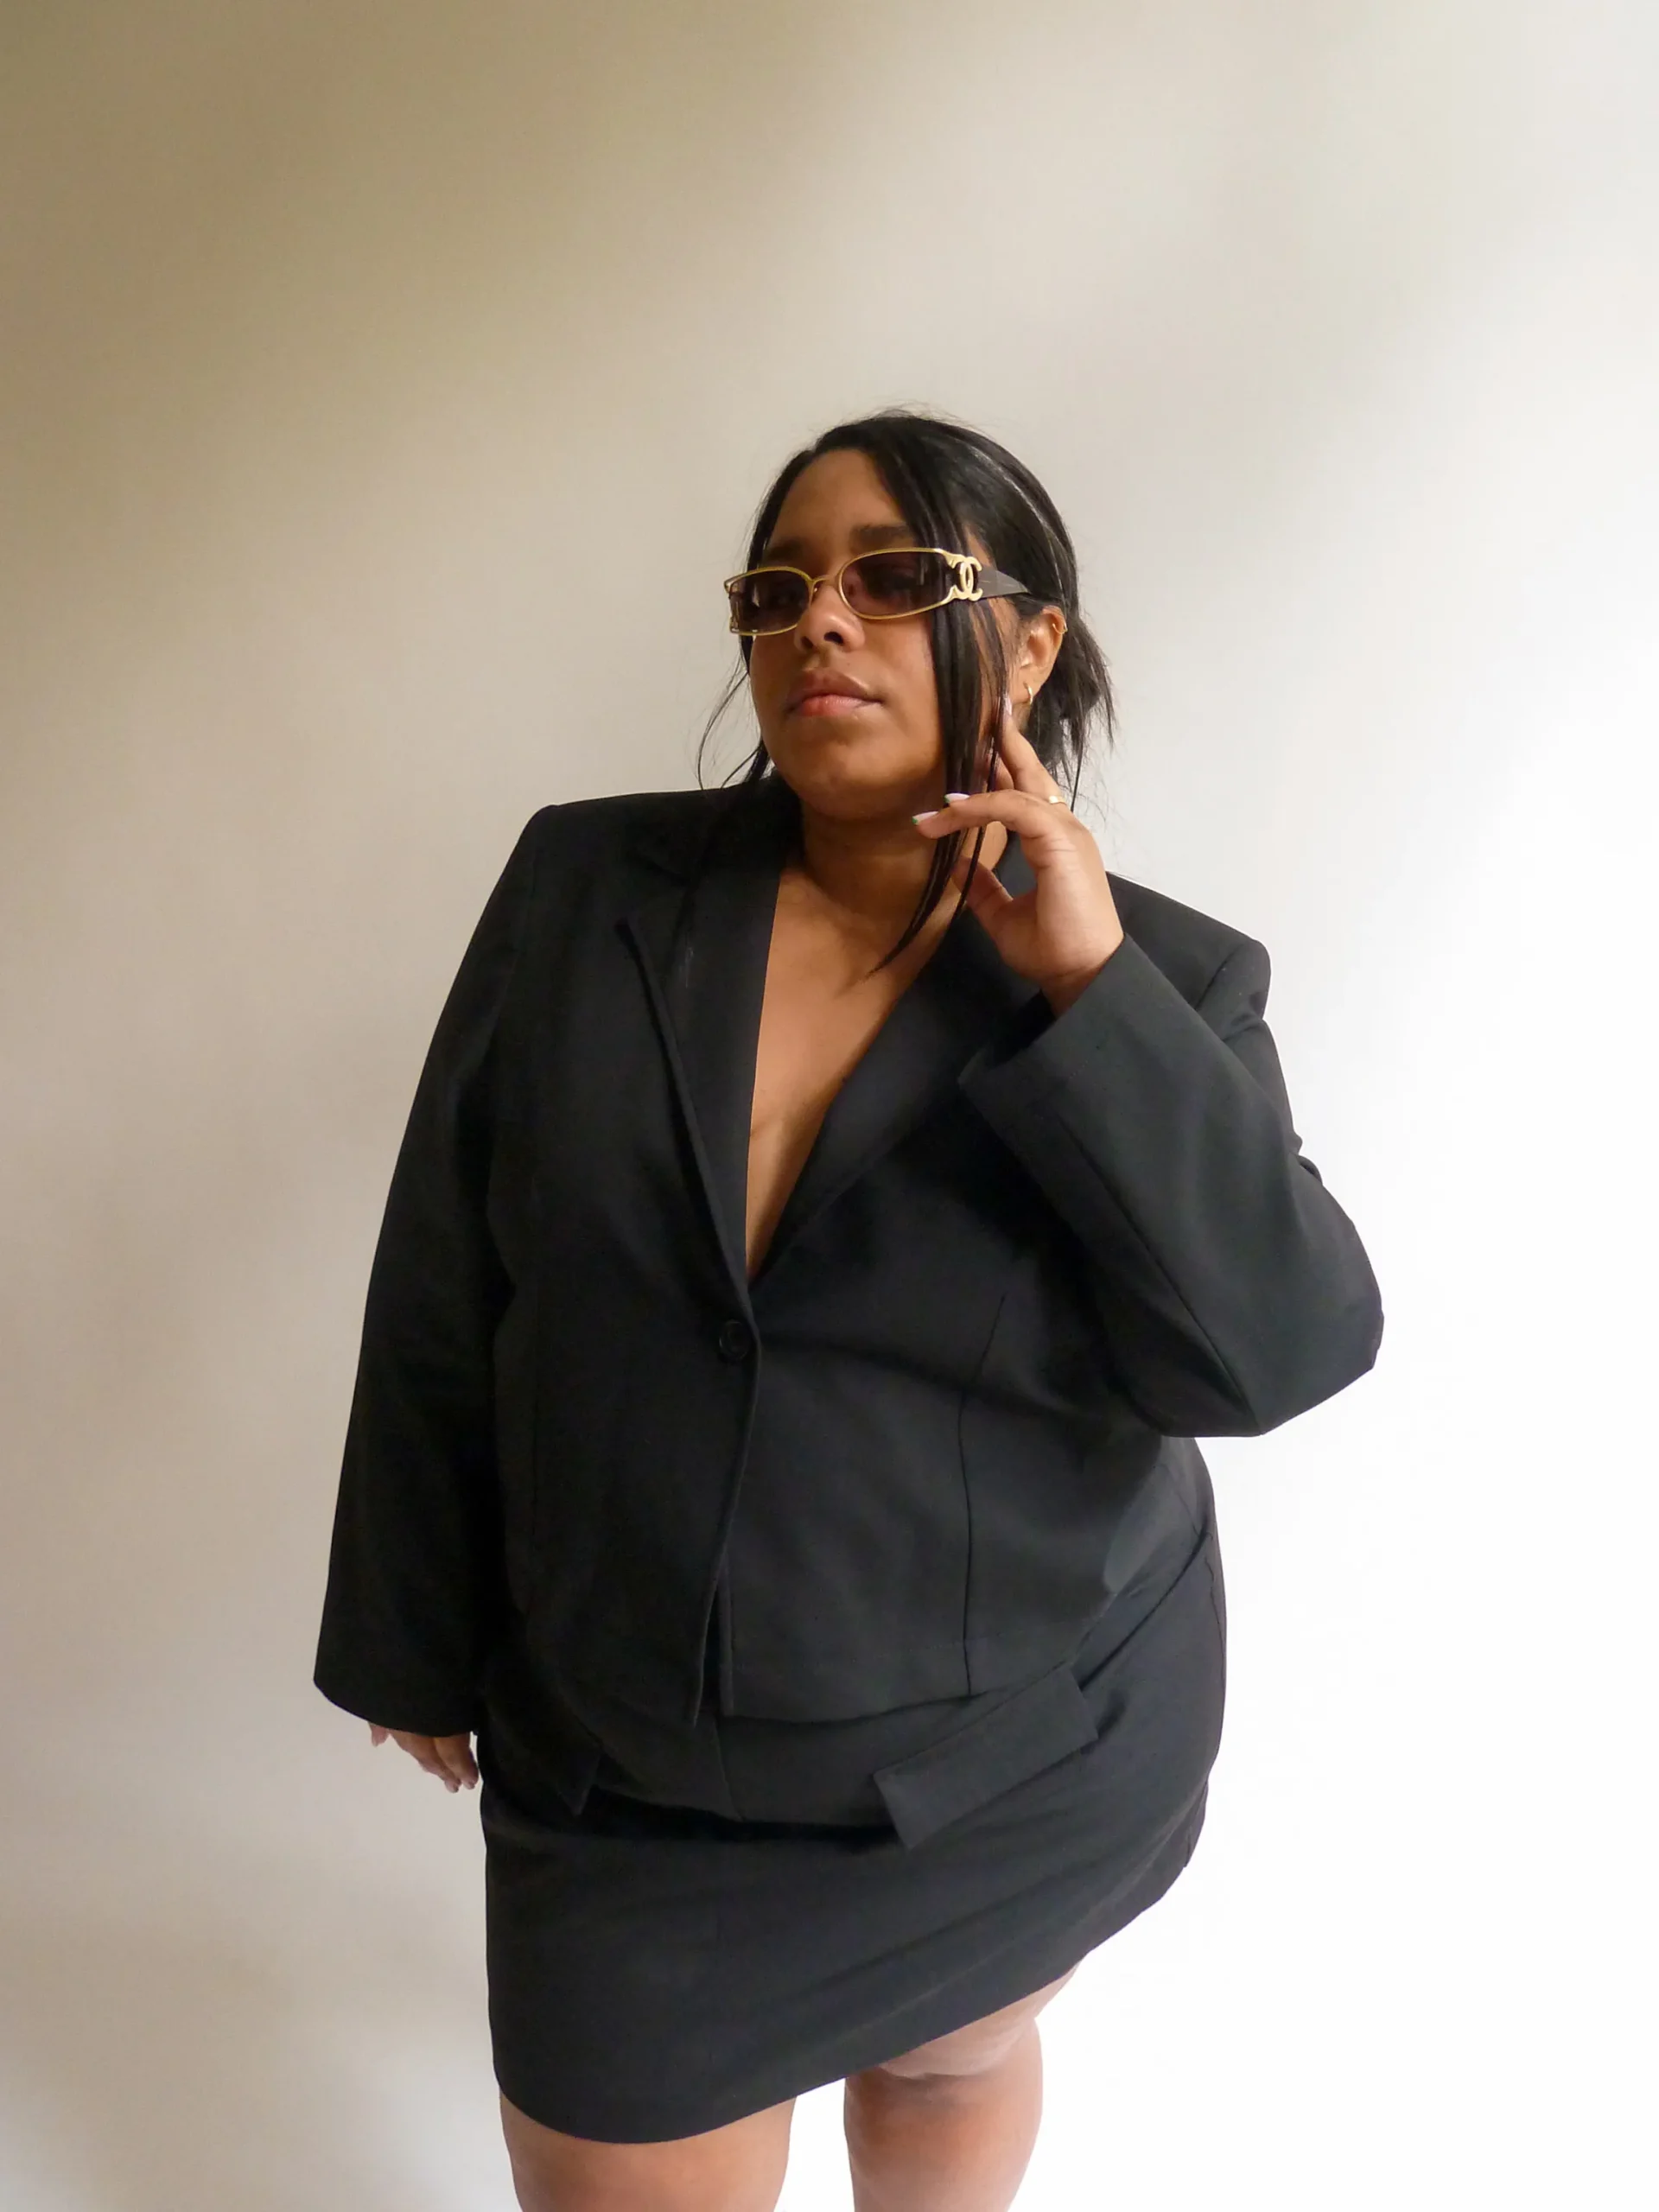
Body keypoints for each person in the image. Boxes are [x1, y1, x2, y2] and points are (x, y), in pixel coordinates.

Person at [315, 410, 1383, 2212]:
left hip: (1005, 1758)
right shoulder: (586, 892)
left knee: (950, 2056)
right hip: (626, 1762)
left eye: (894, 578)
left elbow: (1278, 1347)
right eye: (780, 588)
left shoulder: (1165, 982)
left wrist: (1087, 992)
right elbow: (448, 1258)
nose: (821, 619)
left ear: (1027, 644)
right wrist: (409, 1620)